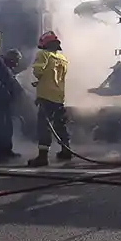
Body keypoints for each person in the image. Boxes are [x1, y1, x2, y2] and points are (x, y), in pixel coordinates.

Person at [27, 31, 72, 167]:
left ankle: (42, 157)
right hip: (59, 96)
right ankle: (66, 150)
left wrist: (38, 82)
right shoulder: (63, 58)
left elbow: (38, 72)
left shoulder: (43, 54)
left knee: (44, 127)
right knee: (60, 125)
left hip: (46, 96)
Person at [0, 48, 24, 163]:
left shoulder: (7, 67)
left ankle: (7, 150)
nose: (17, 63)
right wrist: (3, 92)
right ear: (11, 58)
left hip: (5, 102)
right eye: (16, 60)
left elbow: (12, 81)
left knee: (7, 127)